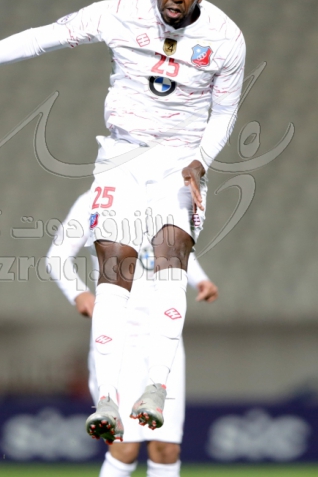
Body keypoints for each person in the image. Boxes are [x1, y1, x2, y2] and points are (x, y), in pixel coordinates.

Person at [0, 0, 245, 444]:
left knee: (170, 262)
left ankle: (155, 389)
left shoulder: (226, 39)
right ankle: (108, 400)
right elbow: (42, 37)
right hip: (121, 156)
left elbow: (225, 113)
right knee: (113, 269)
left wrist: (202, 160)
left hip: (180, 164)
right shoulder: (118, 14)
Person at [47, 190, 218, 477]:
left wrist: (200, 280)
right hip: (118, 341)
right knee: (124, 447)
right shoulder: (95, 199)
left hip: (164, 341)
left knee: (166, 448)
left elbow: (175, 250)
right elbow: (57, 256)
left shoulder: (167, 196)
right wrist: (78, 294)